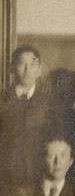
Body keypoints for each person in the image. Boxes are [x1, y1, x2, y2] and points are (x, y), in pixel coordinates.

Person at [0, 45, 59, 187]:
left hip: (39, 176)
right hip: (6, 176)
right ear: (13, 68)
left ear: (39, 70)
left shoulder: (49, 102)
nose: (27, 70)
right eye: (21, 64)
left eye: (32, 65)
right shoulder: (3, 99)